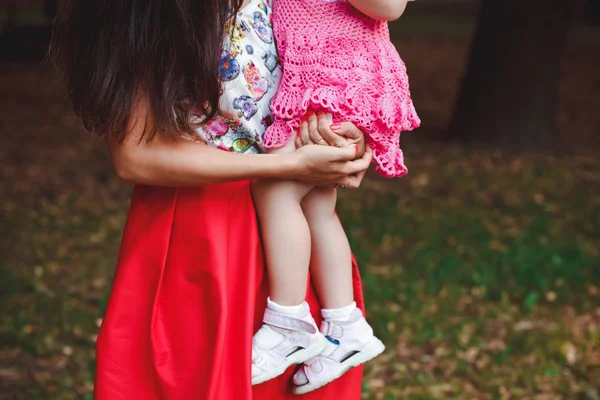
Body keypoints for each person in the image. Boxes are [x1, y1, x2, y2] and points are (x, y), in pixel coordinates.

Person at [51, 0, 377, 398]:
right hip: (200, 238)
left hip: (292, 247)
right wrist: (286, 167)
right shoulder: (151, 10)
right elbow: (136, 156)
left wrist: (346, 136)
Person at [250, 0, 420, 393]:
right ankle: (346, 324)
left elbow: (390, 8)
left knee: (275, 187)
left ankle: (288, 320)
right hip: (316, 76)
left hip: (342, 77)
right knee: (317, 203)